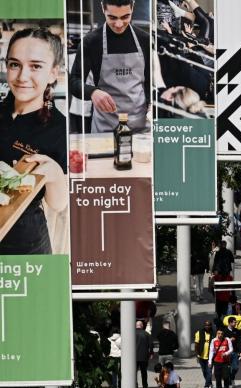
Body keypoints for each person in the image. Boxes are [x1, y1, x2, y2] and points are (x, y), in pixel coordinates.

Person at [0, 27, 69, 256]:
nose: (22, 77)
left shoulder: (60, 128)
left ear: (52, 73)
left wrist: (54, 173)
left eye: (36, 66)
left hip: (25, 244)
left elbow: (57, 204)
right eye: (14, 64)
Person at [69, 0, 151, 133]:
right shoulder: (91, 42)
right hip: (105, 126)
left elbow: (149, 82)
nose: (119, 24)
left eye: (125, 17)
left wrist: (151, 103)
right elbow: (74, 81)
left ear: (133, 7)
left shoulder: (145, 39)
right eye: (112, 17)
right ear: (103, 8)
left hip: (139, 126)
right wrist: (92, 92)